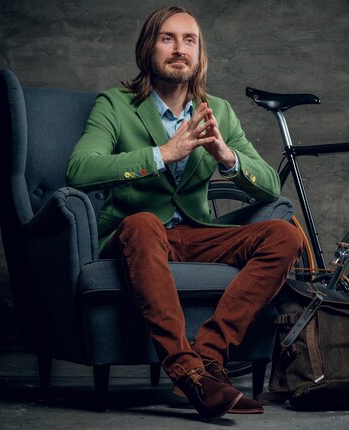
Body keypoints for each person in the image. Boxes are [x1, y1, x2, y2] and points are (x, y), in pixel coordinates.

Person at [66, 5, 303, 421]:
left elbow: (269, 183)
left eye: (189, 40)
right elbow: (79, 169)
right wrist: (163, 153)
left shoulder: (218, 111)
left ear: (199, 54)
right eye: (167, 38)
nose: (180, 49)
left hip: (194, 234)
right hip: (136, 237)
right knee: (142, 221)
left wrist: (228, 157)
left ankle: (210, 355)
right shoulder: (116, 105)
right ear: (148, 49)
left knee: (285, 234)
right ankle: (186, 371)